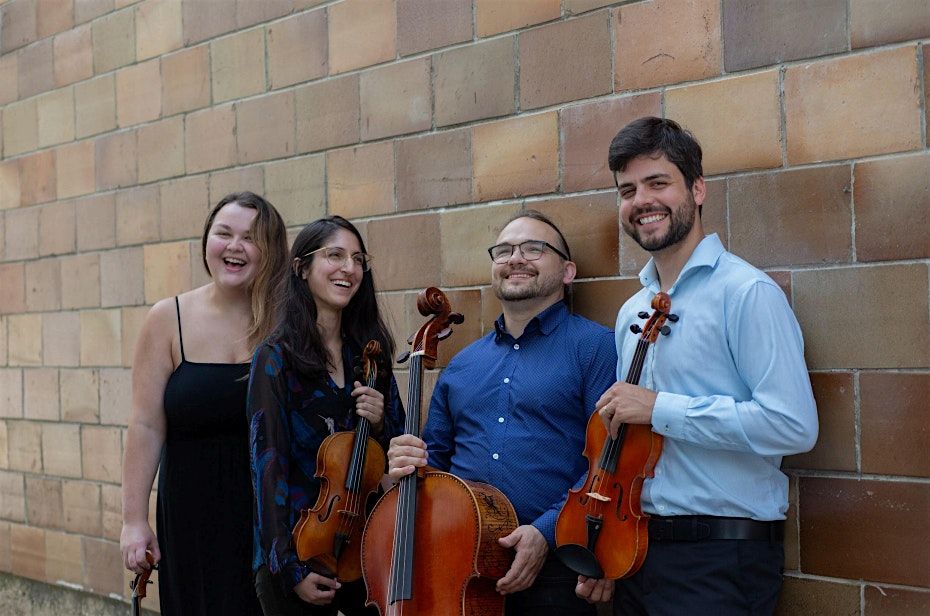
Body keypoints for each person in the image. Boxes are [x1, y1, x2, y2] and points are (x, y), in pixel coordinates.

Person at [576, 117, 818, 615]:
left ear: (698, 189)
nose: (641, 200)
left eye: (658, 182)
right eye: (627, 189)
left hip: (720, 558)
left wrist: (660, 408)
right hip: (637, 553)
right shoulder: (632, 311)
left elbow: (793, 425)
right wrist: (607, 546)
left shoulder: (746, 293)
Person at [387, 210, 618, 615]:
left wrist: (545, 532)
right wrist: (403, 468)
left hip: (555, 570)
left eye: (534, 248)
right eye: (505, 250)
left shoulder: (597, 348)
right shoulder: (462, 365)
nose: (515, 258)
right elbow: (435, 466)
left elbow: (608, 462)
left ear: (567, 272)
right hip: (456, 568)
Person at [121, 192, 289, 615]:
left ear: (270, 251)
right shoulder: (167, 319)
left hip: (269, 516)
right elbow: (145, 425)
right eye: (224, 233)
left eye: (250, 238)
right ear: (207, 242)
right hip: (190, 515)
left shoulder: (287, 322)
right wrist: (133, 521)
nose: (234, 246)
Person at [247, 216, 405, 616]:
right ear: (302, 268)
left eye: (357, 259)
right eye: (334, 255)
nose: (348, 269)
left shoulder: (369, 353)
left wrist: (382, 421)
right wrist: (290, 568)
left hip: (364, 551)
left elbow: (399, 447)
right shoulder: (276, 357)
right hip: (300, 550)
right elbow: (267, 467)